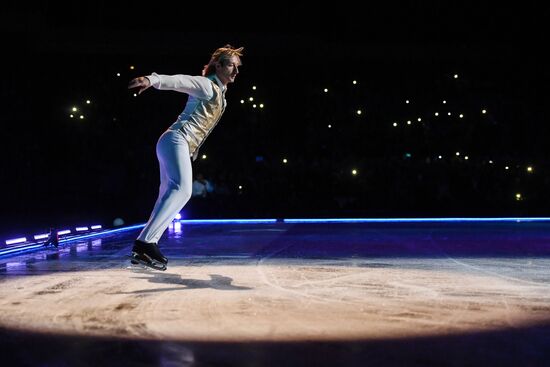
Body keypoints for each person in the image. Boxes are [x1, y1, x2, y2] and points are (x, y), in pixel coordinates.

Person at [127, 44, 243, 270]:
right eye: (231, 66)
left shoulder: (221, 95)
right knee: (183, 189)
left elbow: (201, 123)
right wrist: (151, 80)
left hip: (176, 143)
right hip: (175, 140)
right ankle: (143, 244)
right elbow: (180, 81)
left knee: (166, 196)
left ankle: (146, 246)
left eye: (238, 67)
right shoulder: (207, 85)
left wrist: (194, 148)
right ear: (217, 66)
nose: (236, 72)